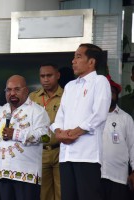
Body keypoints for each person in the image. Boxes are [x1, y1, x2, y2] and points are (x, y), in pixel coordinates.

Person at [50, 43, 111, 200]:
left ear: (91, 62)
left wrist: (75, 132)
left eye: (78, 57)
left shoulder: (100, 81)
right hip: (66, 154)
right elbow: (59, 116)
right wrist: (59, 132)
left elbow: (99, 114)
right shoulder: (70, 86)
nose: (73, 61)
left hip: (87, 155)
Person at [0, 75, 50, 200]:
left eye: (17, 89)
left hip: (26, 175)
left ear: (26, 90)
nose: (12, 93)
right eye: (8, 90)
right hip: (3, 172)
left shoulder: (37, 111)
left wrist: (16, 134)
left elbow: (46, 137)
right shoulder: (1, 111)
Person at [29, 63, 63, 200]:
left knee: (63, 192)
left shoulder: (67, 95)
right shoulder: (33, 97)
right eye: (42, 76)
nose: (45, 79)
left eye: (49, 75)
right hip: (39, 151)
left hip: (61, 150)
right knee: (44, 194)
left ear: (58, 76)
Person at [101, 75, 134, 200]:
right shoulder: (91, 118)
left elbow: (133, 146)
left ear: (117, 95)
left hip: (118, 176)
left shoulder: (125, 118)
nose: (109, 95)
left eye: (112, 92)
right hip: (94, 176)